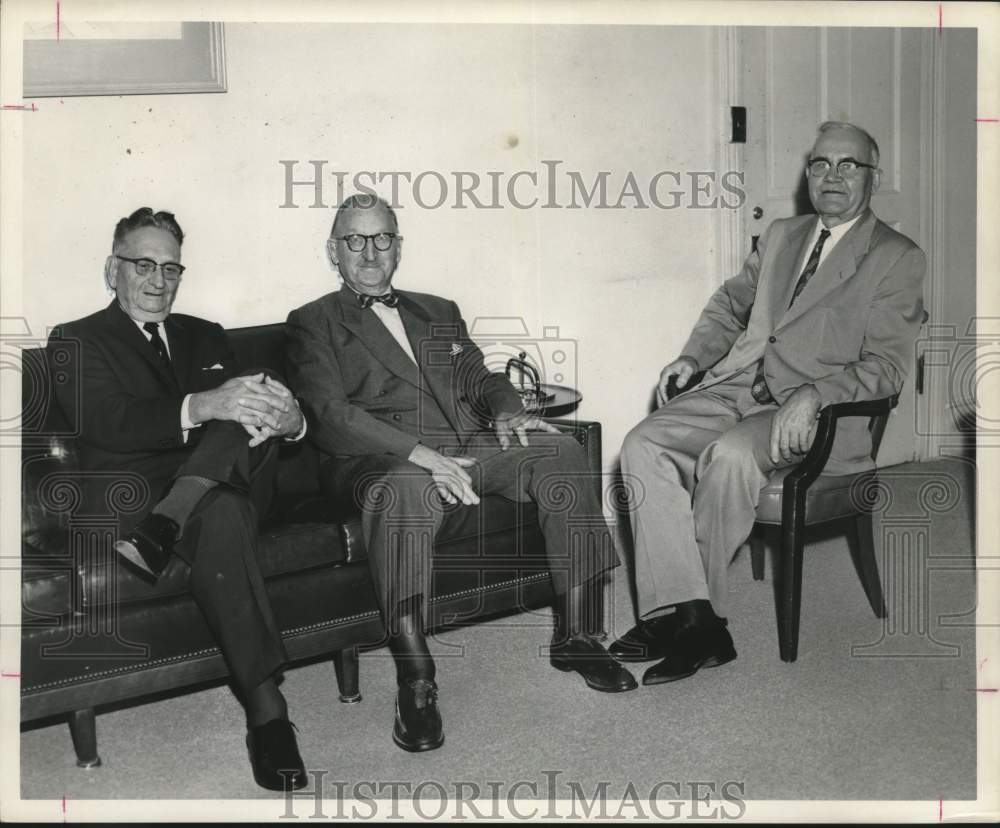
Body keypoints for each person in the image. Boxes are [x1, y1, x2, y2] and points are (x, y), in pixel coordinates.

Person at [286, 194, 636, 753]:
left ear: (399, 246)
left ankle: (578, 633)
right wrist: (420, 454)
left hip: (470, 448)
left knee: (563, 452)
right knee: (403, 490)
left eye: (382, 238)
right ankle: (416, 680)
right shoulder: (314, 322)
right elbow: (331, 417)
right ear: (334, 250)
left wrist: (506, 410)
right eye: (356, 239)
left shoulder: (437, 308)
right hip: (384, 461)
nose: (370, 251)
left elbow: (480, 374)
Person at [614, 121, 926, 685]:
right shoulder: (783, 233)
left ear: (873, 178)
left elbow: (886, 368)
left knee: (730, 455)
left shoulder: (895, 257)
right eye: (820, 164)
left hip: (817, 416)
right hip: (741, 383)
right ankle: (693, 617)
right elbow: (731, 306)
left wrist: (815, 393)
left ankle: (691, 622)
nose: (831, 177)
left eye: (848, 165)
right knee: (643, 443)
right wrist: (694, 356)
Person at [47, 208, 309, 791]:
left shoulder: (207, 334)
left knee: (257, 384)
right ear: (112, 269)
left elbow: (257, 417)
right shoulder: (75, 339)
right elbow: (110, 422)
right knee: (224, 507)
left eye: (171, 267)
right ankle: (269, 716)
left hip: (200, 489)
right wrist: (204, 405)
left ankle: (172, 519)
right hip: (136, 493)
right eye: (143, 264)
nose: (158, 280)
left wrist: (292, 422)